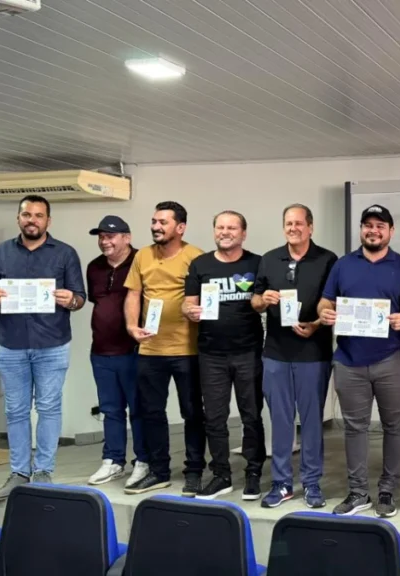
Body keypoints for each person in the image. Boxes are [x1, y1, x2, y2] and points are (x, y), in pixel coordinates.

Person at [0, 195, 85, 500]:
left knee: (49, 408)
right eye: (27, 215)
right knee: (16, 410)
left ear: (48, 220)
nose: (32, 220)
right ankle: (19, 473)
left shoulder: (65, 253)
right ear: (18, 218)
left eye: (38, 215)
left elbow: (80, 297)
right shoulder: (1, 252)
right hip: (10, 344)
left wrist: (71, 300)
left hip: (52, 344)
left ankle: (44, 472)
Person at [317, 204, 400, 518]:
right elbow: (325, 301)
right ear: (361, 229)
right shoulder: (343, 265)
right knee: (354, 428)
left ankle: (387, 491)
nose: (373, 231)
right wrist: (324, 313)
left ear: (391, 231)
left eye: (380, 226)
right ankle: (358, 492)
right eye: (368, 225)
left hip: (392, 358)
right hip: (349, 360)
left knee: (394, 427)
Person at [252, 204, 337, 509]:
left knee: (312, 422)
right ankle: (282, 483)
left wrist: (316, 324)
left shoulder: (328, 259)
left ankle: (312, 483)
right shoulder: (269, 259)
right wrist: (263, 300)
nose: (293, 228)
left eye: (299, 223)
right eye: (289, 223)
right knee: (280, 421)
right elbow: (255, 301)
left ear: (310, 227)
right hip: (276, 352)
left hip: (313, 353)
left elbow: (333, 301)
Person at [123, 201, 208, 496]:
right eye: (154, 221)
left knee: (192, 413)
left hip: (187, 349)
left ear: (180, 227)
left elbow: (206, 298)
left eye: (163, 222)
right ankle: (159, 471)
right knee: (151, 413)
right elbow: (134, 294)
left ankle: (194, 471)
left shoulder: (196, 256)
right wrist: (132, 326)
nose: (156, 227)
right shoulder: (142, 255)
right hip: (150, 350)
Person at [183, 210, 266, 501]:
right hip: (211, 354)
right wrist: (189, 310)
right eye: (220, 227)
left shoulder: (257, 263)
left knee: (251, 415)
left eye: (231, 228)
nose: (225, 232)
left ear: (243, 233)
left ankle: (253, 473)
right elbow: (187, 303)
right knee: (214, 418)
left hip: (248, 352)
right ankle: (221, 474)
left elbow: (263, 301)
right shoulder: (200, 264)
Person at [85, 216, 148, 487]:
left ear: (127, 237)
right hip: (101, 350)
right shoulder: (94, 267)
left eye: (110, 236)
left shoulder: (142, 261)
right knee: (110, 409)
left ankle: (144, 460)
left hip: (134, 350)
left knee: (139, 409)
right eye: (101, 237)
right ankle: (113, 460)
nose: (104, 241)